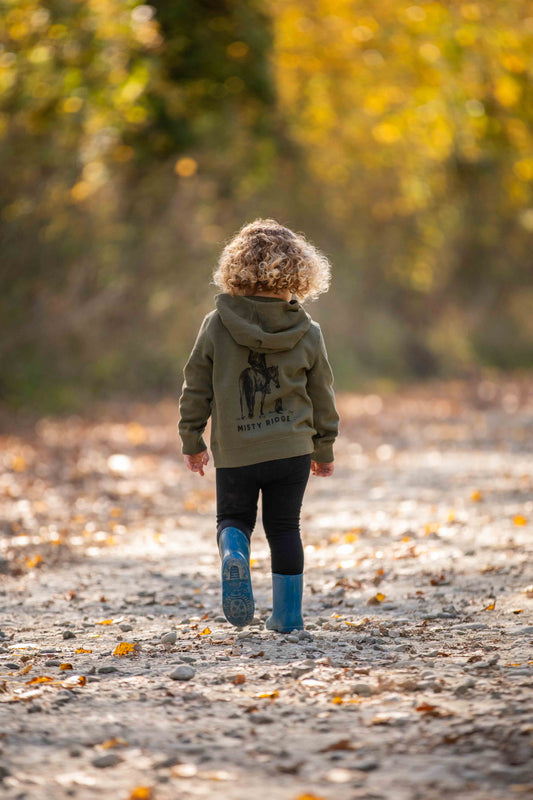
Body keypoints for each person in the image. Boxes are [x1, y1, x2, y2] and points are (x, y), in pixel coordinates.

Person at [178, 218, 339, 632]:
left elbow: (195, 385)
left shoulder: (215, 325)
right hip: (292, 448)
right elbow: (322, 394)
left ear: (236, 270)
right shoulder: (308, 330)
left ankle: (234, 551)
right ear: (299, 273)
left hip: (237, 449)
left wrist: (192, 438)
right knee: (285, 528)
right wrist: (324, 448)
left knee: (234, 516)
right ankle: (287, 616)